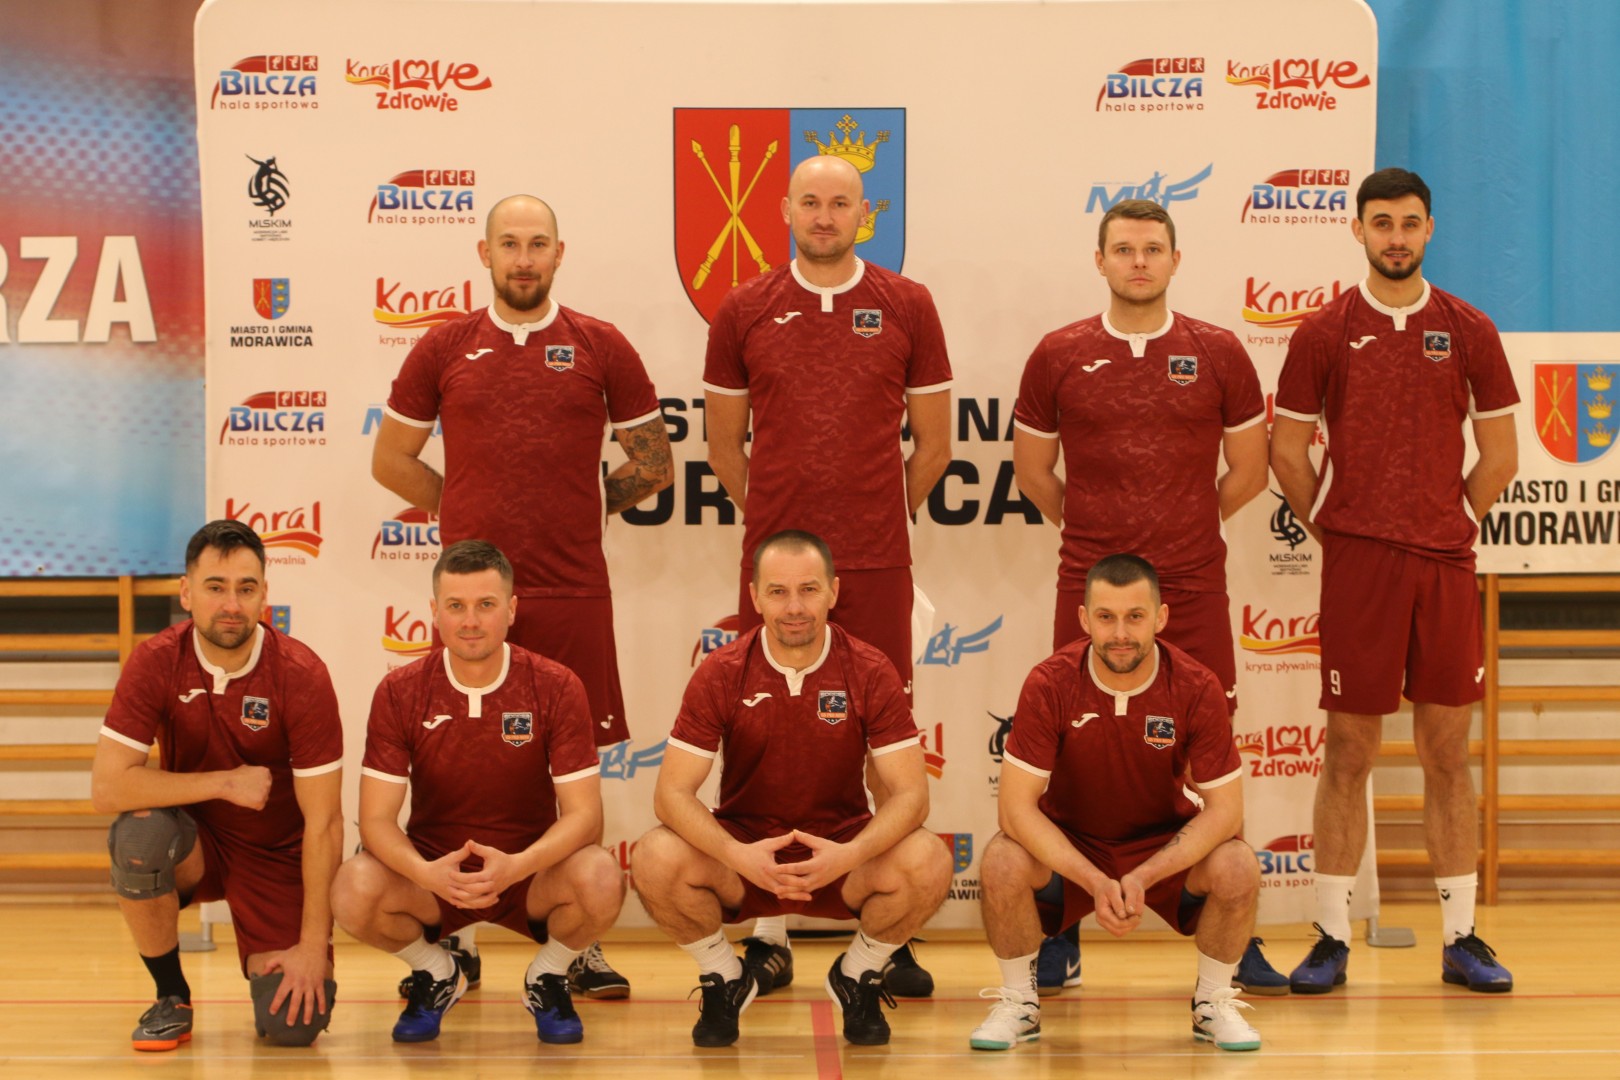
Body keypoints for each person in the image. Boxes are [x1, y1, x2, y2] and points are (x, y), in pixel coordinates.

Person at [372, 194, 670, 996]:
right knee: (461, 764)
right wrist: (463, 511)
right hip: (474, 598)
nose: (524, 258)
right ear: (485, 253)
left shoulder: (601, 345)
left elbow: (654, 464)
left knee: (570, 773)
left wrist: (581, 508)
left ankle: (576, 945)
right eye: (510, 243)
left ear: (559, 253)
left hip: (573, 591)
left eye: (538, 244)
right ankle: (457, 929)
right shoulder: (444, 346)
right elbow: (391, 459)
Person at [1011, 198, 1281, 995]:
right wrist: (1101, 542)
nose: (1138, 261)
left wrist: (1184, 530)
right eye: (1124, 249)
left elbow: (1250, 472)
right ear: (1100, 260)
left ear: (1175, 259)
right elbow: (1034, 474)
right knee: (1072, 756)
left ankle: (1234, 932)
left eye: (1152, 249)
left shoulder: (1219, 351)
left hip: (1194, 584)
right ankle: (1060, 928)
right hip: (1088, 582)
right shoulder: (1059, 354)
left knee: (1215, 757)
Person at [703, 154, 953, 994]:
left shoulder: (908, 303)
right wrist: (782, 538)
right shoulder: (744, 307)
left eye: (839, 203)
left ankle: (889, 930)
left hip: (878, 562)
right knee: (764, 737)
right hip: (775, 569)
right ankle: (767, 929)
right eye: (809, 201)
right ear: (784, 209)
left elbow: (935, 445)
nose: (823, 215)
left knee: (887, 747)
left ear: (863, 213)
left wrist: (874, 520)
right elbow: (723, 447)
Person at [1271, 167, 1519, 994]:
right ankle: (1330, 937)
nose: (1397, 238)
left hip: (1444, 565)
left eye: (1410, 223)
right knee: (1349, 751)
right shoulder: (1324, 331)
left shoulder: (1469, 329)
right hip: (1360, 567)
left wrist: (1449, 522)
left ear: (1430, 229)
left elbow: (1501, 456)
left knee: (1447, 751)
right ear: (1358, 230)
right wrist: (1340, 528)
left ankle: (1462, 937)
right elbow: (1286, 452)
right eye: (1382, 223)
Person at [631, 530, 952, 1047]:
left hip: (840, 855)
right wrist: (738, 855)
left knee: (930, 859)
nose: (795, 607)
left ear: (833, 592)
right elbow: (671, 794)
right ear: (755, 597)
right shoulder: (722, 671)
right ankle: (724, 977)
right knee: (652, 856)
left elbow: (912, 796)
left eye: (808, 589)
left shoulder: (869, 669)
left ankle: (858, 974)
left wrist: (848, 855)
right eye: (778, 592)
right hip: (747, 857)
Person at [330, 540, 624, 1044]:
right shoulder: (400, 691)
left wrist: (519, 865)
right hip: (435, 878)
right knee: (352, 888)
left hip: (527, 875)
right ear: (434, 611)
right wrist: (425, 872)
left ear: (511, 609)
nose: (470, 621)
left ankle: (548, 976)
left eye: (486, 604)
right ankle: (436, 972)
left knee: (601, 876)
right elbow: (375, 820)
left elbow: (584, 816)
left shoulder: (556, 685)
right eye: (456, 605)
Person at [968, 554, 1262, 1053]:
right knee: (1001, 859)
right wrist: (1095, 880)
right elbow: (1015, 809)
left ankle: (1213, 1002)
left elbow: (1226, 811)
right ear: (1084, 619)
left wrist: (1144, 876)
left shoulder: (1196, 685)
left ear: (1161, 618)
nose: (1120, 633)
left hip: (1161, 845)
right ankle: (1020, 1003)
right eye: (1106, 617)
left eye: (1135, 617)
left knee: (1238, 864)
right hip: (1072, 845)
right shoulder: (1050, 682)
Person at [90, 520, 343, 1051]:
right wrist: (225, 783)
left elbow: (324, 822)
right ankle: (171, 995)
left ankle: (284, 963)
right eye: (216, 587)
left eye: (246, 589)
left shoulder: (301, 673)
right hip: (197, 843)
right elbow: (108, 788)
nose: (232, 604)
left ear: (264, 595)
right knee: (138, 836)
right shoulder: (156, 660)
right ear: (187, 592)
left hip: (278, 853)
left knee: (293, 1026)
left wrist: (312, 945)